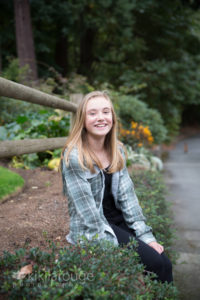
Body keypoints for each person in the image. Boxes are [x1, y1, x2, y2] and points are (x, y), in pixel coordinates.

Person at [61, 91, 173, 283]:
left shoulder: (117, 150)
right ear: (82, 119)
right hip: (96, 227)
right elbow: (89, 216)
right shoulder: (74, 158)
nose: (101, 118)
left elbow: (128, 198)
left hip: (118, 220)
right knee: (155, 264)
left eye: (106, 112)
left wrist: (146, 237)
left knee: (165, 262)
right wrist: (113, 247)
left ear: (112, 117)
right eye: (93, 113)